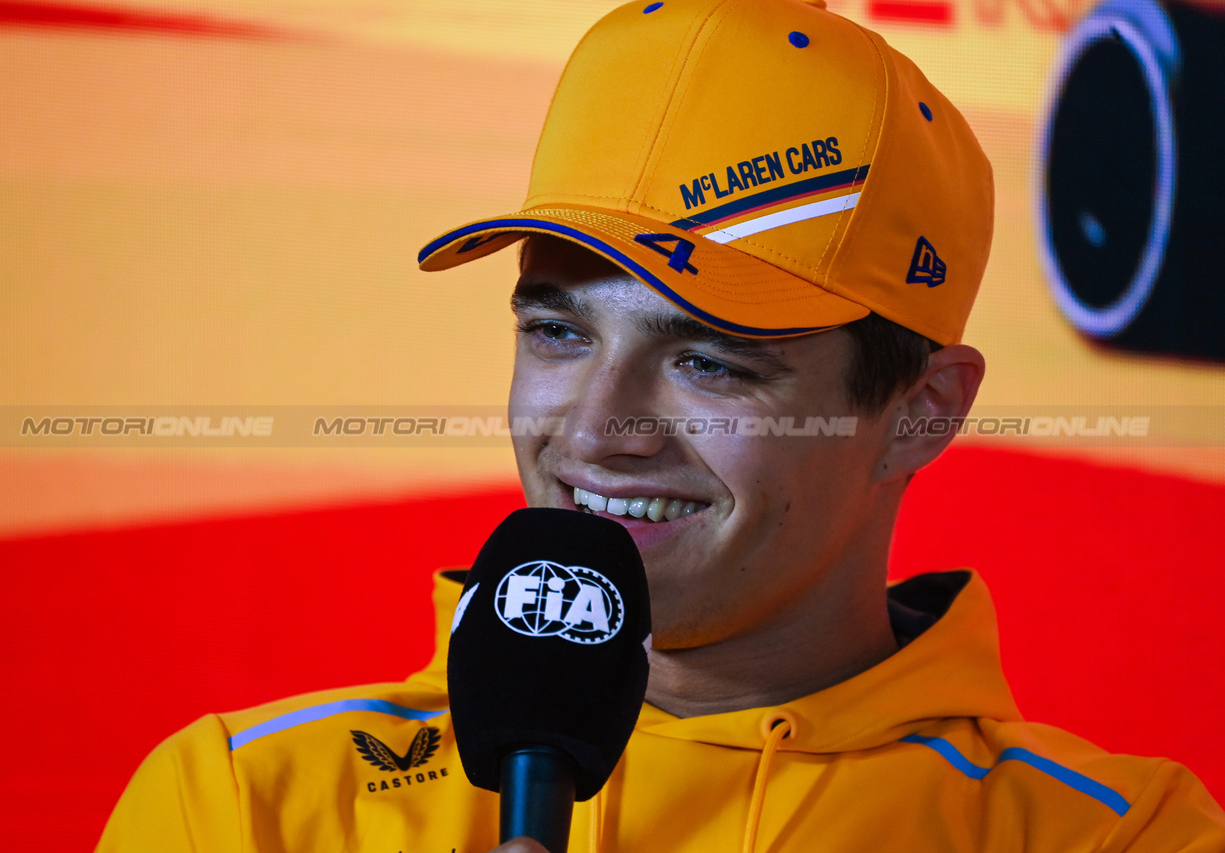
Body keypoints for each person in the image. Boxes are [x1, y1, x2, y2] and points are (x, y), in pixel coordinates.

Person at [97, 0, 1225, 850]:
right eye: (558, 332)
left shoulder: (1120, 837)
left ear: (918, 413)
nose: (596, 430)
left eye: (706, 359)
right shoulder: (246, 805)